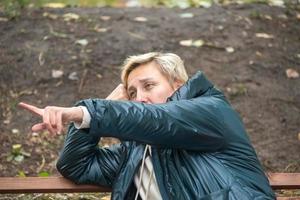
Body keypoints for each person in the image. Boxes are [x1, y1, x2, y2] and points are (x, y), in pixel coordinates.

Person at [19, 52, 275, 200]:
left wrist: (83, 111)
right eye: (132, 92)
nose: (139, 97)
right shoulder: (135, 152)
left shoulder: (211, 111)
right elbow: (76, 165)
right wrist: (101, 108)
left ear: (178, 85)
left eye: (149, 86)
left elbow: (155, 120)